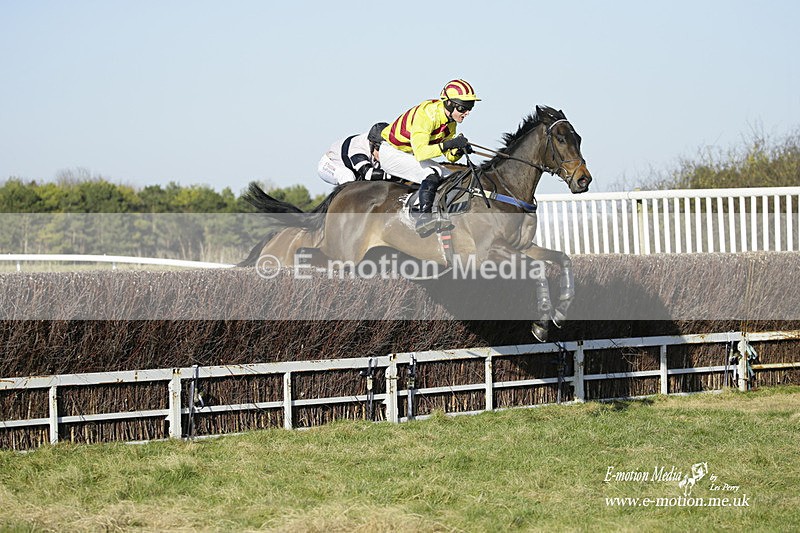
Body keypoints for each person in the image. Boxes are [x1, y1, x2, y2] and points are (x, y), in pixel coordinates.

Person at [379, 79, 479, 235]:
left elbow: (449, 156)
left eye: (470, 107)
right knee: (431, 174)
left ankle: (444, 214)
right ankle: (423, 219)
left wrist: (458, 150)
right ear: (449, 104)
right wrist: (449, 144)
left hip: (409, 153)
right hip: (392, 152)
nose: (467, 112)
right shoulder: (427, 115)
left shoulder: (450, 122)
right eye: (463, 108)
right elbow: (421, 153)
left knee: (454, 178)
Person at [318, 122, 390, 185]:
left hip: (352, 168)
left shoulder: (376, 141)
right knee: (348, 177)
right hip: (330, 164)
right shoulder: (358, 147)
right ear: (372, 145)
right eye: (380, 150)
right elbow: (367, 174)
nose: (384, 154)